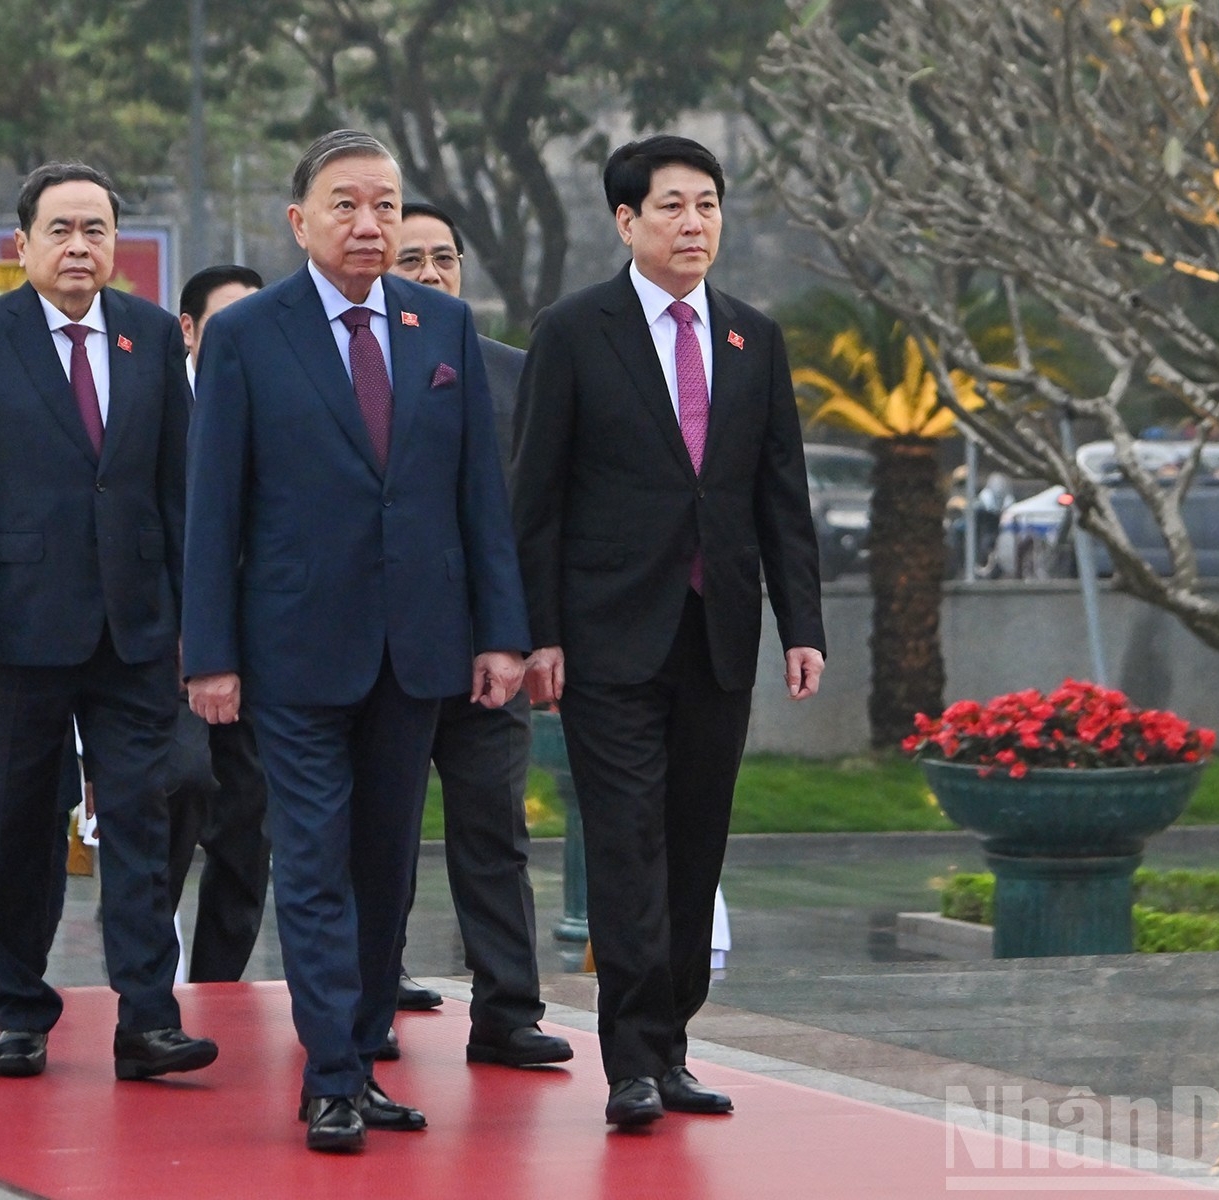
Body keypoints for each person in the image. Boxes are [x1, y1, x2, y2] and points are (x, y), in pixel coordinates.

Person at [183, 130, 528, 1152]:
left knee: (385, 865)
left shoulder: (442, 324)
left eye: (385, 204)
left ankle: (365, 1051)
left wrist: (501, 635)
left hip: (419, 646)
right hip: (292, 649)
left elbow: (478, 495)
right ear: (301, 222)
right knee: (314, 860)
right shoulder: (248, 335)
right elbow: (213, 506)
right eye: (346, 205)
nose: (369, 223)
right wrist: (210, 654)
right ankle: (330, 1075)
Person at [512, 135, 826, 1129]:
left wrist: (802, 624)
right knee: (626, 843)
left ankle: (674, 1046)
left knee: (695, 846)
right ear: (627, 221)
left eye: (707, 205)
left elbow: (781, 492)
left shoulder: (752, 338)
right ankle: (632, 1062)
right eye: (673, 207)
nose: (694, 224)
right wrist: (540, 633)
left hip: (717, 632)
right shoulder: (574, 332)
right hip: (609, 636)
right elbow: (536, 497)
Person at [0, 161, 216, 1084]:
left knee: (140, 820)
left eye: (96, 230)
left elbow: (178, 485)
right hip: (16, 629)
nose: (79, 246)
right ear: (24, 244)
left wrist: (194, 620)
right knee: (15, 826)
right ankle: (20, 1009)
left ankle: (148, 1019)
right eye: (61, 230)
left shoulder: (148, 334)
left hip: (136, 628)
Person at [384, 202, 572, 1067]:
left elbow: (541, 520)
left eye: (443, 258)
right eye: (410, 259)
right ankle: (371, 992)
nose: (430, 273)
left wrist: (534, 637)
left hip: (491, 653)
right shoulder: (351, 368)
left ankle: (508, 1011)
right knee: (379, 835)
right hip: (383, 654)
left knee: (495, 836)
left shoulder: (516, 376)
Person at [162, 263, 273, 984]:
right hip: (169, 647)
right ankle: (149, 975)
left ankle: (219, 985)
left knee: (249, 828)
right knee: (182, 783)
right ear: (190, 330)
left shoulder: (284, 401)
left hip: (265, 647)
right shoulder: (159, 402)